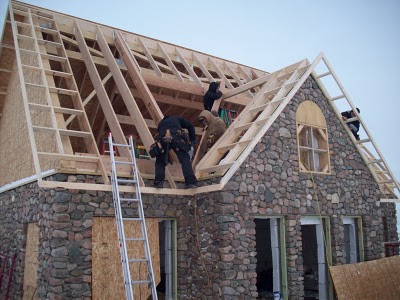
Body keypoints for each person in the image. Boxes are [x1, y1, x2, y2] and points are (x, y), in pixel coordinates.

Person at [153, 116, 197, 189]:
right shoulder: (176, 119)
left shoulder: (161, 124)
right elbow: (190, 125)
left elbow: (159, 136)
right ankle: (190, 182)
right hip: (176, 136)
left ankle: (159, 182)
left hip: (163, 137)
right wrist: (193, 139)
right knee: (184, 158)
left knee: (160, 160)